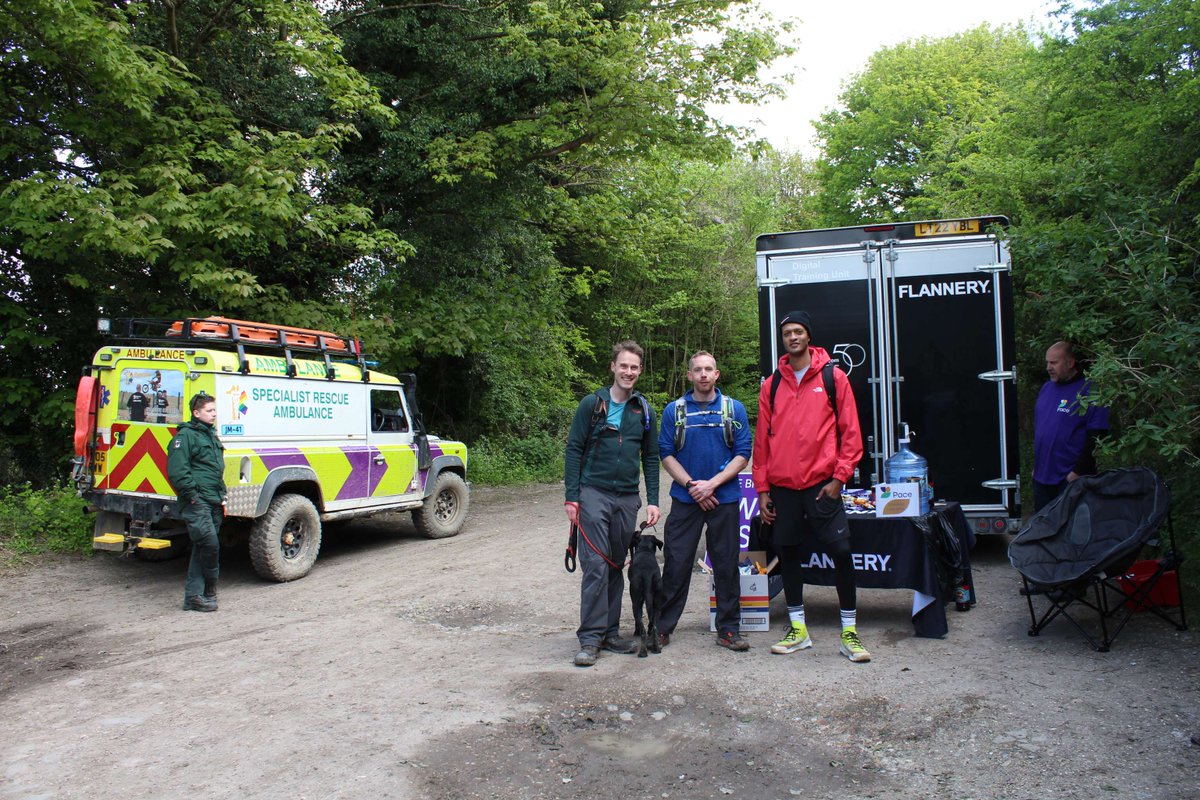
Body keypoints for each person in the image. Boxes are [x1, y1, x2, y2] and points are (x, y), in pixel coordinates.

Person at [752, 310, 871, 663]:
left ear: (808, 336)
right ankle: (798, 629)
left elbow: (852, 434)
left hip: (823, 487)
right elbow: (762, 444)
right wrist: (762, 490)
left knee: (842, 553)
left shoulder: (834, 378)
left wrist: (839, 479)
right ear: (783, 339)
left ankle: (849, 631)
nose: (793, 337)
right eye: (787, 332)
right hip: (784, 488)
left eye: (798, 331)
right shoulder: (771, 385)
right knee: (787, 555)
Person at [564, 341, 661, 667]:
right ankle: (590, 639)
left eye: (634, 367)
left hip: (626, 498)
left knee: (616, 565)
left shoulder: (643, 411)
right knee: (595, 565)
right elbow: (574, 450)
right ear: (613, 367)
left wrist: (653, 501)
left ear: (640, 371)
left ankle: (610, 633)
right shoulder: (591, 405)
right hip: (593, 493)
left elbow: (650, 457)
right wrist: (572, 497)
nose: (629, 372)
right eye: (624, 366)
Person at [657, 351, 752, 651]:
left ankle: (727, 630)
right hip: (686, 500)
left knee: (725, 565)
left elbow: (743, 452)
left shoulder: (732, 409)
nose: (703, 375)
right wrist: (692, 485)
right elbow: (665, 453)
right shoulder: (675, 411)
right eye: (697, 370)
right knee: (676, 563)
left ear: (717, 374)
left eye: (708, 369)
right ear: (689, 375)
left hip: (723, 499)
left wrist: (711, 485)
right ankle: (661, 627)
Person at [1033, 341, 1109, 511]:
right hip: (1041, 478)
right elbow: (1042, 430)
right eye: (1047, 362)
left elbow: (1096, 436)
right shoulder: (1046, 389)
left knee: (1070, 533)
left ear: (1070, 362)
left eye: (1054, 362)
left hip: (1070, 479)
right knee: (1044, 531)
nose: (1048, 367)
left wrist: (1077, 472)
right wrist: (1036, 468)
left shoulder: (1089, 391)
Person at [167, 393, 226, 612]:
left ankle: (195, 596)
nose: (214, 414)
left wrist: (222, 495)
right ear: (196, 413)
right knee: (209, 544)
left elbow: (215, 469)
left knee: (203, 546)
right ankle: (209, 588)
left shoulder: (210, 435)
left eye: (214, 410)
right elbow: (177, 471)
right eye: (210, 411)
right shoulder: (185, 437)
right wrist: (192, 495)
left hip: (213, 499)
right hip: (197, 500)